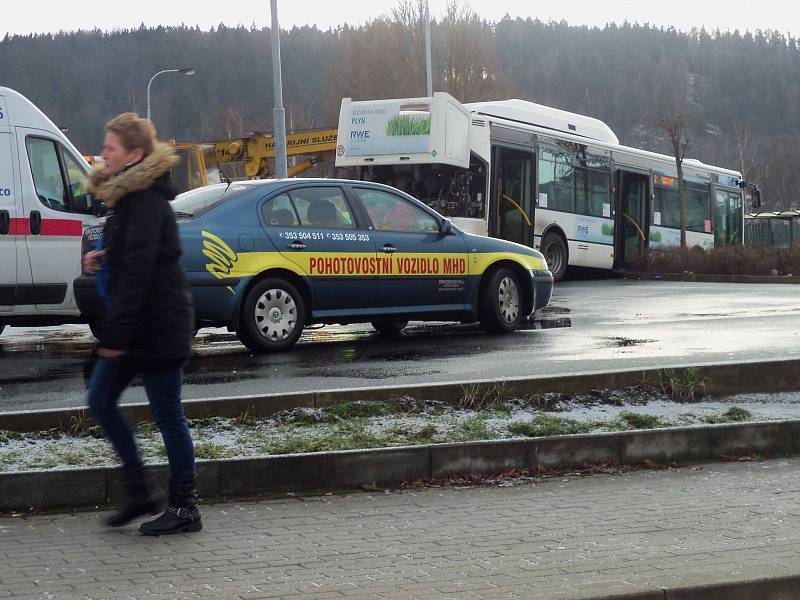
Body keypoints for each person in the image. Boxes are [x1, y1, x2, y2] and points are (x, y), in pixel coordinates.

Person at [83, 113, 200, 535]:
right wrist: (105, 256)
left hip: (158, 326)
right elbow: (131, 255)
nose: (102, 154)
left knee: (168, 415)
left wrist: (114, 336)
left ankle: (185, 508)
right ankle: (139, 493)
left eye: (110, 147)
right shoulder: (128, 199)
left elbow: (140, 272)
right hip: (137, 327)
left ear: (134, 155)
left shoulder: (146, 200)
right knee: (99, 401)